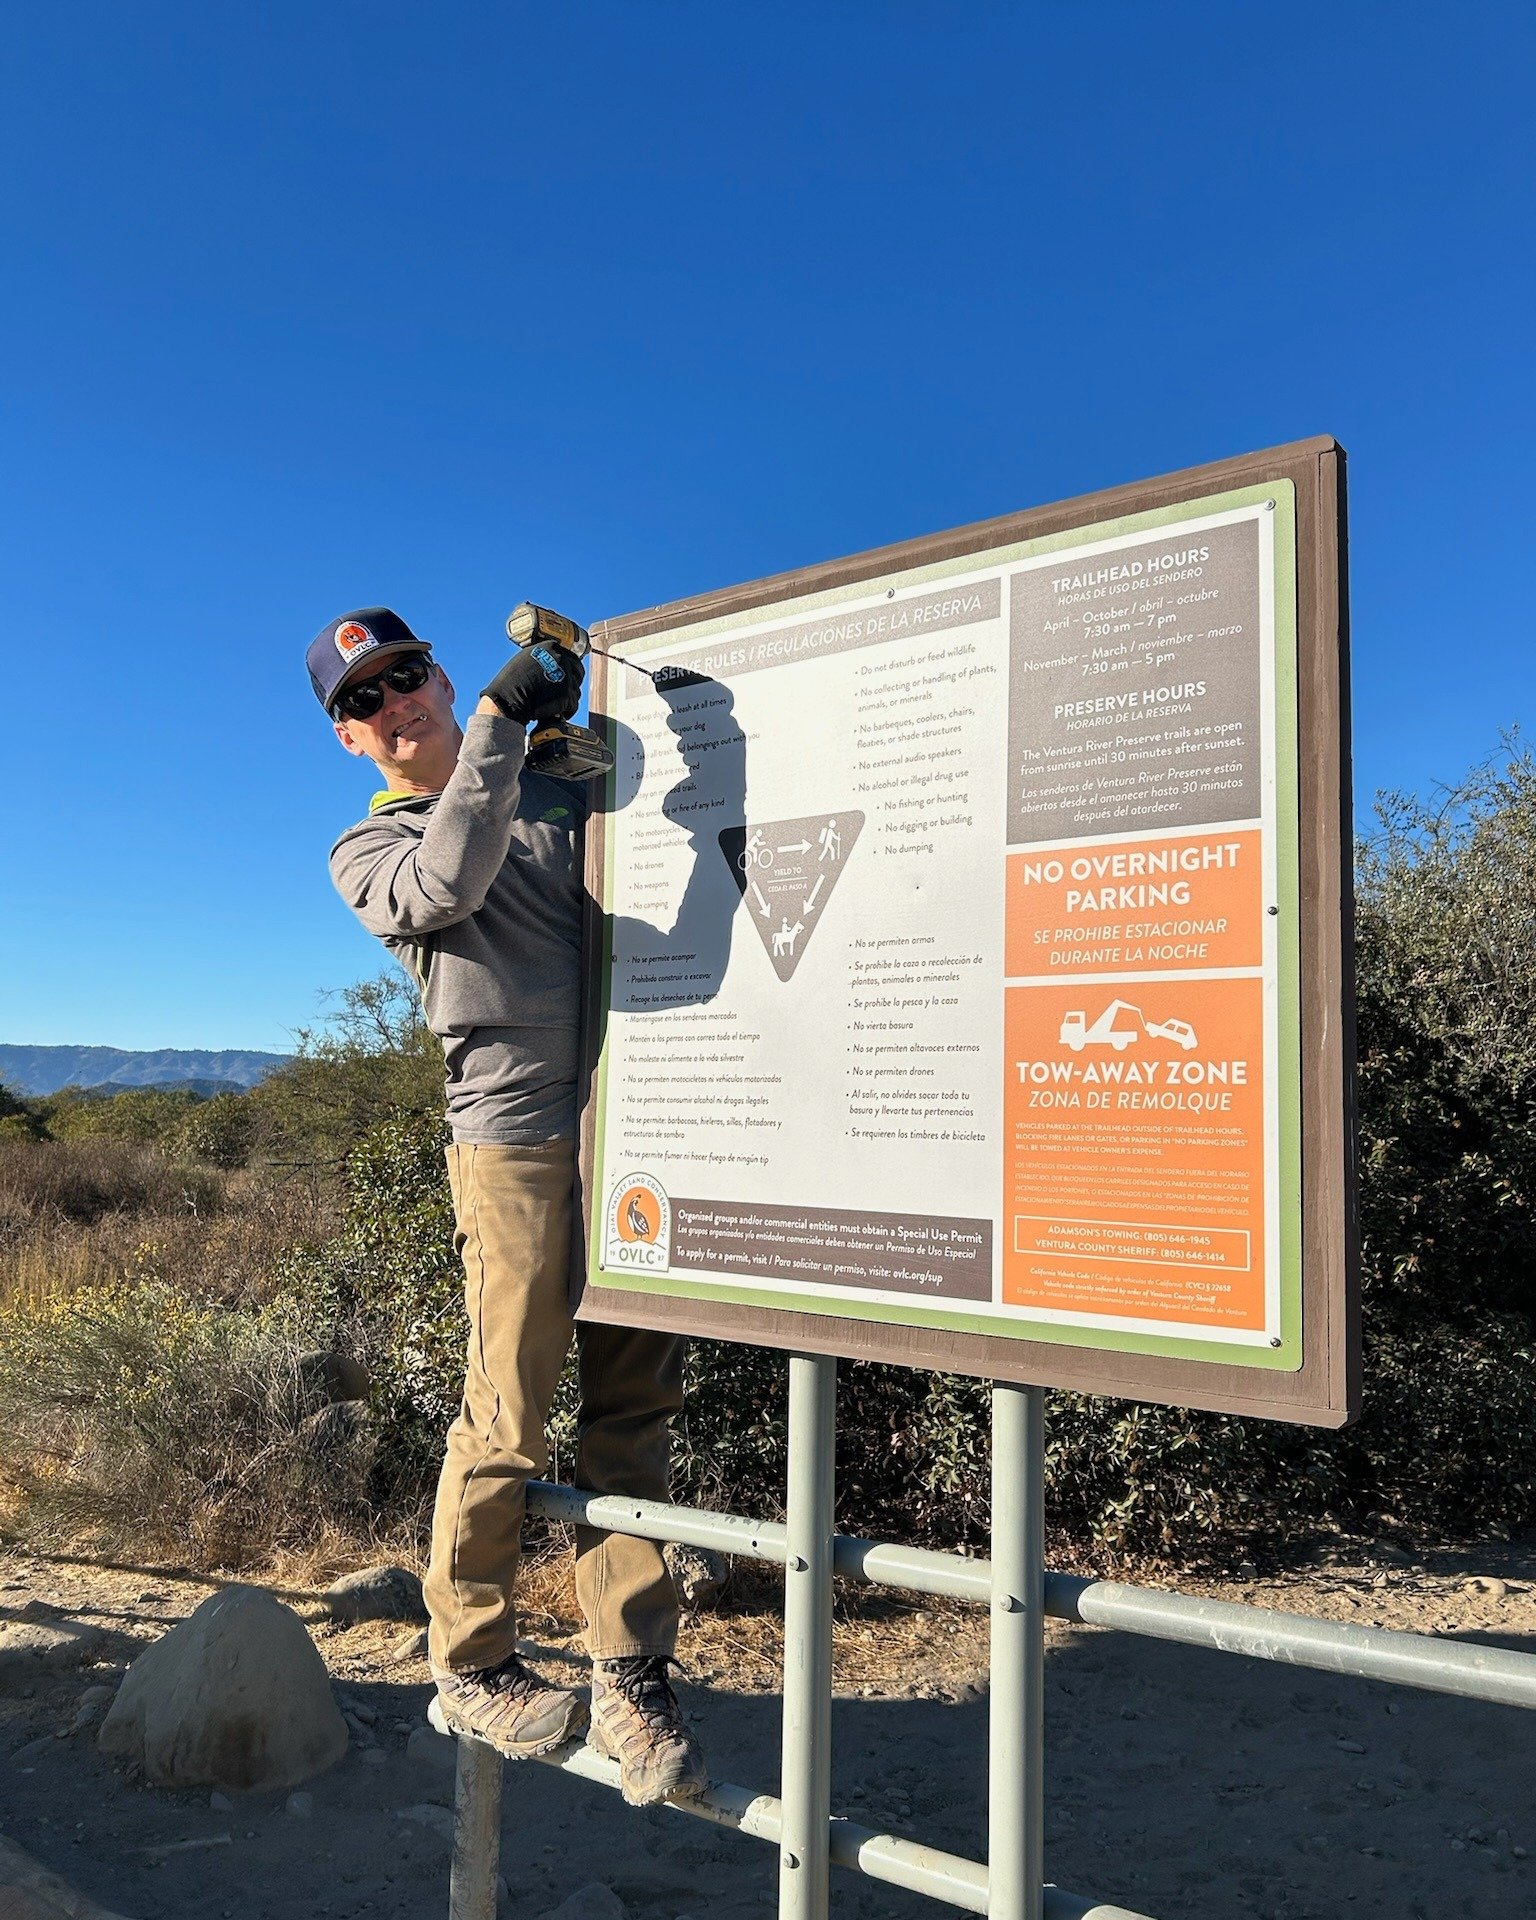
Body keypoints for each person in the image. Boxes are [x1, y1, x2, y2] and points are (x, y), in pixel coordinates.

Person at [307, 606, 705, 1806]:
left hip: (642, 1128)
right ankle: (473, 1657)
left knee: (636, 1404)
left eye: (409, 673)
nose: (398, 702)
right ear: (350, 739)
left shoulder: (547, 782)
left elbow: (665, 803)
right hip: (517, 1143)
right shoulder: (368, 849)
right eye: (366, 698)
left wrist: (631, 709)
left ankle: (632, 1670)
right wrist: (496, 717)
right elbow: (451, 879)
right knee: (508, 1407)